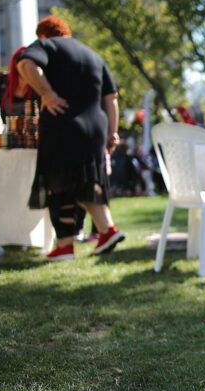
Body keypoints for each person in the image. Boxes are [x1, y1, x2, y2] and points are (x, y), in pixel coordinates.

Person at [16, 16, 125, 260]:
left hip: (64, 122)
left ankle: (106, 230)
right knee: (85, 179)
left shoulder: (45, 46)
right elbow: (111, 98)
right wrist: (113, 132)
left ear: (43, 35)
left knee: (61, 182)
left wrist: (47, 93)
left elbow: (25, 65)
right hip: (96, 125)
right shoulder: (93, 55)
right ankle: (66, 244)